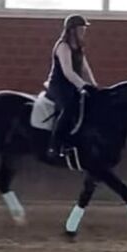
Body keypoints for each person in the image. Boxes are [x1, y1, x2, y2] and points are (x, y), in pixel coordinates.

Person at [44, 14, 98, 158]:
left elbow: (85, 69)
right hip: (58, 85)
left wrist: (94, 85)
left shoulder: (79, 47)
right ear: (72, 30)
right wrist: (83, 86)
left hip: (72, 85)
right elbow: (68, 71)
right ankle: (55, 145)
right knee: (68, 108)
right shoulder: (63, 46)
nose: (83, 32)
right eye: (81, 29)